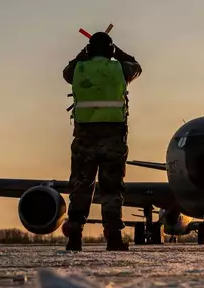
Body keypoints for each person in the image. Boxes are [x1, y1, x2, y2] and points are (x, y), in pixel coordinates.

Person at [62, 32, 142, 251]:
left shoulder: (78, 69)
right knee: (112, 188)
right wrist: (118, 52)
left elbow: (66, 71)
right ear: (109, 51)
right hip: (113, 138)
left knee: (80, 186)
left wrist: (83, 54)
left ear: (89, 51)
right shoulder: (120, 69)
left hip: (84, 139)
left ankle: (75, 236)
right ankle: (113, 236)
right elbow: (136, 65)